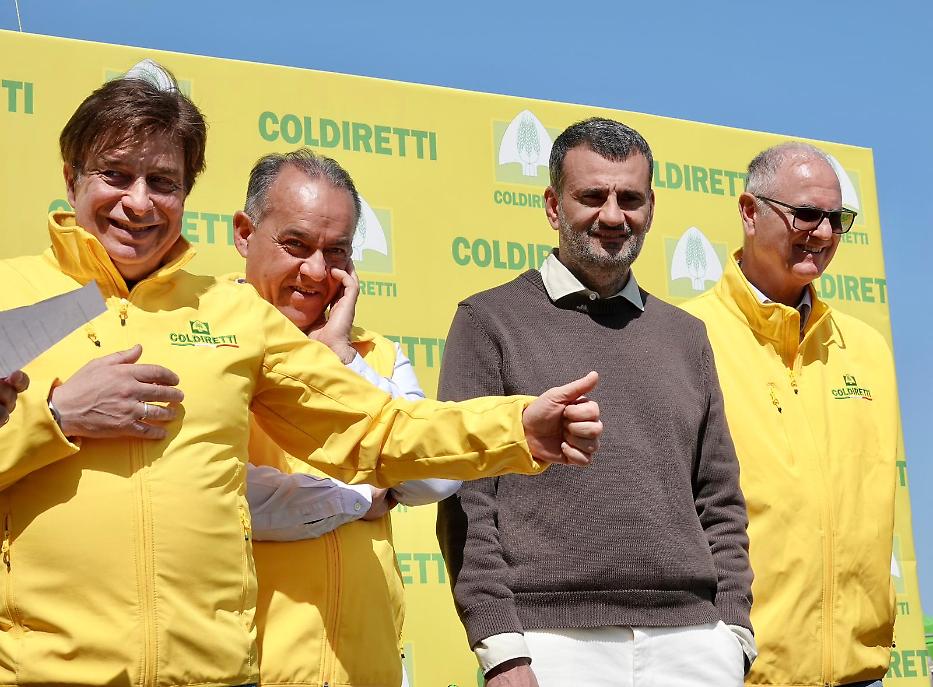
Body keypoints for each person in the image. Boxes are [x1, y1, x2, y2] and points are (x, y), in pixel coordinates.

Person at [0, 63, 603, 686]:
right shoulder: (8, 297)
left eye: (163, 182)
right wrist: (57, 417)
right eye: (116, 175)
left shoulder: (231, 314)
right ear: (71, 178)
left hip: (210, 677)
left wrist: (517, 428)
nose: (138, 201)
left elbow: (374, 428)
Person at [437, 117, 754, 687]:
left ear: (650, 207)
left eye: (629, 198)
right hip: (550, 644)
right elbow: (467, 500)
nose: (612, 216)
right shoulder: (488, 321)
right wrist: (500, 647)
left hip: (694, 645)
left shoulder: (686, 336)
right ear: (552, 206)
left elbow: (719, 497)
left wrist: (733, 633)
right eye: (592, 197)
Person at [233, 149, 460, 687]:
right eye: (296, 244)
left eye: (335, 251)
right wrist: (357, 497)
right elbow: (220, 494)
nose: (316, 271)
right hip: (247, 670)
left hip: (369, 667)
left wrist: (341, 357)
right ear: (244, 234)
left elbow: (435, 476)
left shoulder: (374, 353)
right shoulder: (203, 339)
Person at [683, 142, 897, 687]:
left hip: (859, 674)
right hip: (732, 669)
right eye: (805, 214)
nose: (822, 233)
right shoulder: (685, 340)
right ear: (749, 212)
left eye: (836, 219)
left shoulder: (867, 350)